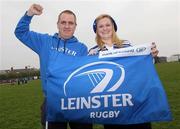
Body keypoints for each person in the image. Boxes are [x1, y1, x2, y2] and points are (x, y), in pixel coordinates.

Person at [14, 4, 92, 129]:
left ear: (75, 26)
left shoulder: (82, 48)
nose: (67, 26)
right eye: (63, 22)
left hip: (77, 102)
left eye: (71, 23)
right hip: (52, 102)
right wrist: (29, 14)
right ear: (58, 24)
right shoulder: (45, 41)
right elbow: (20, 32)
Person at [88, 14, 159, 129]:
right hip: (111, 105)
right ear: (96, 30)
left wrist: (150, 57)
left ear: (113, 27)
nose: (105, 28)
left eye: (108, 25)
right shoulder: (93, 52)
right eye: (101, 26)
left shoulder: (126, 44)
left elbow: (138, 67)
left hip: (132, 100)